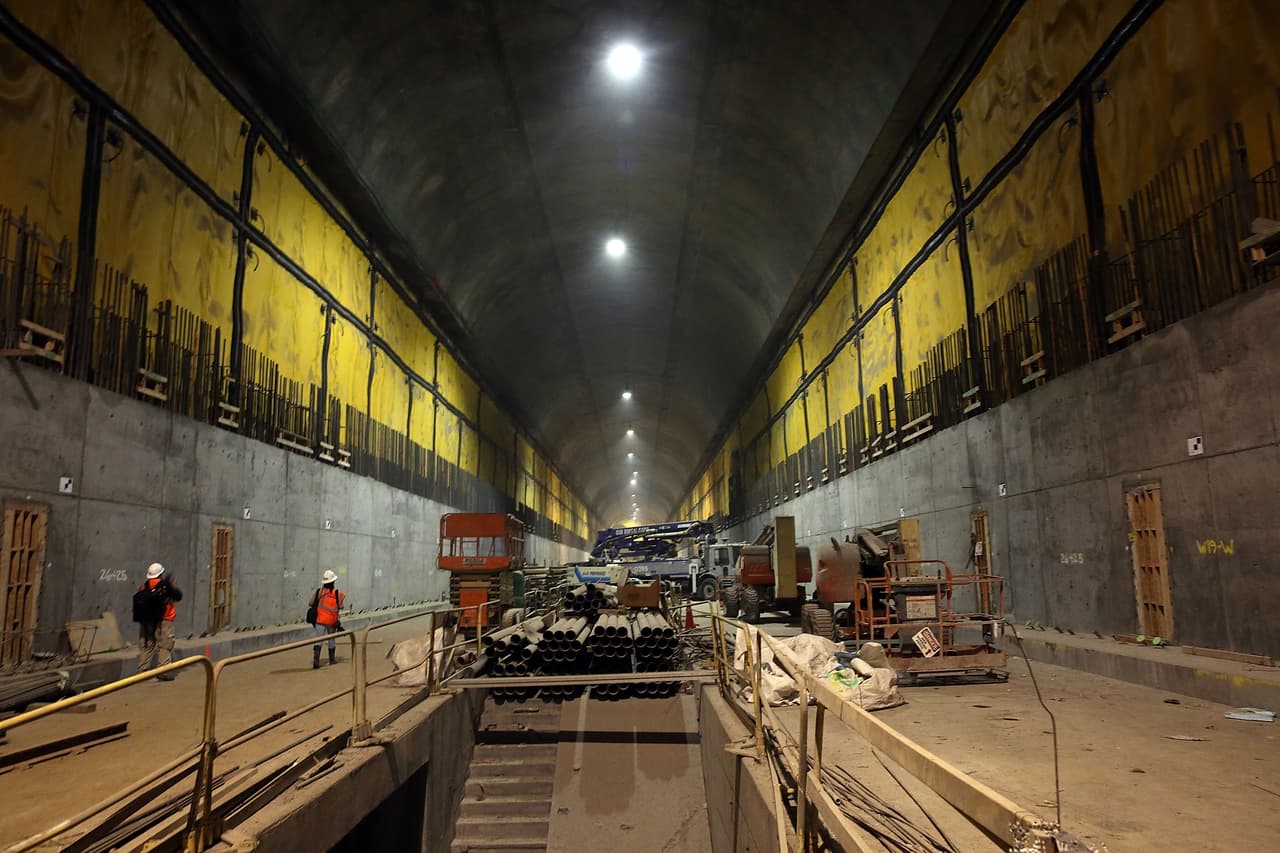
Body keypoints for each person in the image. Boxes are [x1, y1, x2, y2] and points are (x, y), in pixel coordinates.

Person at [136, 562, 182, 679]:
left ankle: (142, 672)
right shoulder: (166, 586)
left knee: (147, 646)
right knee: (164, 646)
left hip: (147, 621)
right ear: (161, 574)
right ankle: (163, 671)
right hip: (164, 620)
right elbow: (178, 596)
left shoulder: (144, 586)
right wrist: (172, 586)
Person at [308, 570, 346, 669]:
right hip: (332, 622)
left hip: (320, 619)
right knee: (331, 639)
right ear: (333, 582)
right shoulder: (337, 593)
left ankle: (316, 661)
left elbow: (310, 603)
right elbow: (341, 606)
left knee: (318, 639)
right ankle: (332, 659)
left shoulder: (319, 592)